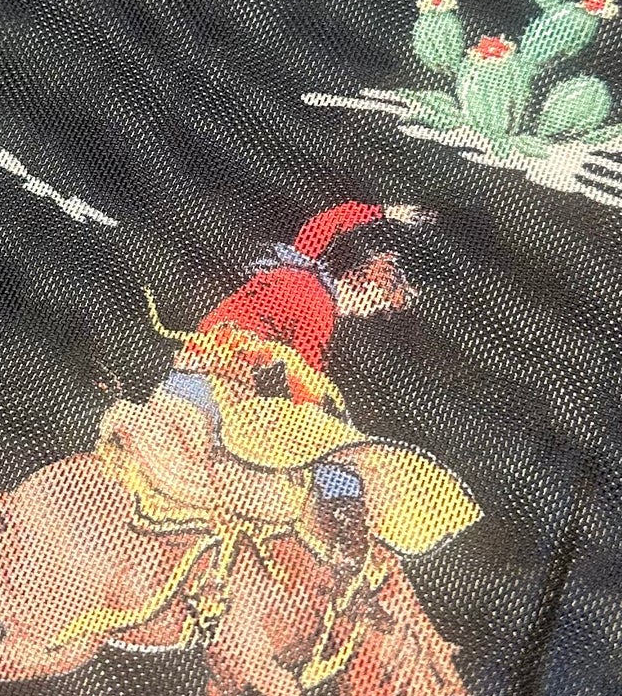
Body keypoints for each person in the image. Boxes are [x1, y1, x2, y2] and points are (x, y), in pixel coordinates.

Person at [101, 205, 471, 558]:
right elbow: (305, 377)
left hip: (197, 361)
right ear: (363, 283)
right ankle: (341, 524)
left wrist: (386, 211)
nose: (371, 312)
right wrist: (318, 419)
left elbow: (325, 224)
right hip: (223, 373)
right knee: (323, 448)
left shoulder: (300, 264)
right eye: (378, 303)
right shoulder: (318, 308)